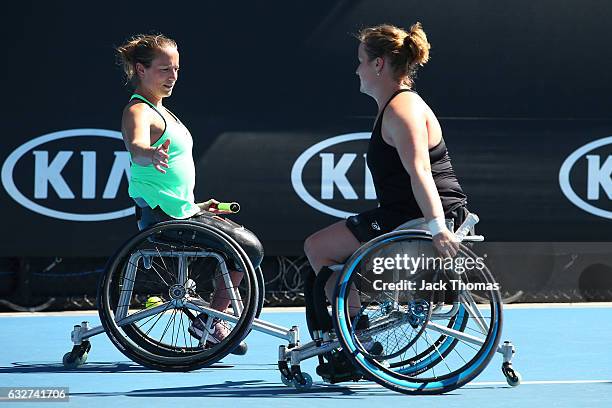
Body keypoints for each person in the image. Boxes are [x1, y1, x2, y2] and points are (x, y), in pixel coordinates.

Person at [303, 23, 470, 380]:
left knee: (318, 248)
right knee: (322, 251)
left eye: (361, 61)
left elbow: (420, 172)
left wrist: (437, 227)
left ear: (379, 65)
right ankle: (355, 334)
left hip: (417, 215)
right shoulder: (394, 107)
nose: (357, 69)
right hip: (403, 212)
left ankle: (356, 339)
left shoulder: (402, 110)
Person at [116, 34, 263, 355]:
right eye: (164, 69)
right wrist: (148, 155)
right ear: (141, 70)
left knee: (244, 245)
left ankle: (211, 319)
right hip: (162, 216)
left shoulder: (164, 111)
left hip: (181, 211)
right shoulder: (139, 112)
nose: (172, 77)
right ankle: (211, 321)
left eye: (176, 70)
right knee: (249, 247)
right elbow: (137, 145)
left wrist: (197, 206)